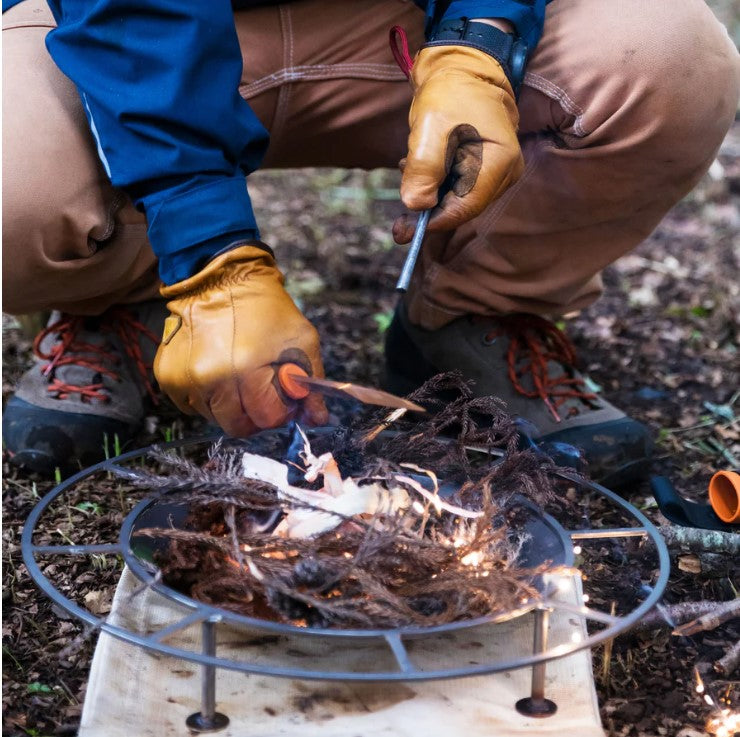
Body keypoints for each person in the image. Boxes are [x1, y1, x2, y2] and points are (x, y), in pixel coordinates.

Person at [2, 0, 738, 484]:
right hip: (122, 36)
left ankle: (474, 310)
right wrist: (206, 258)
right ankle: (118, 301)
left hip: (399, 23)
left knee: (671, 59)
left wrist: (480, 36)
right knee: (15, 180)